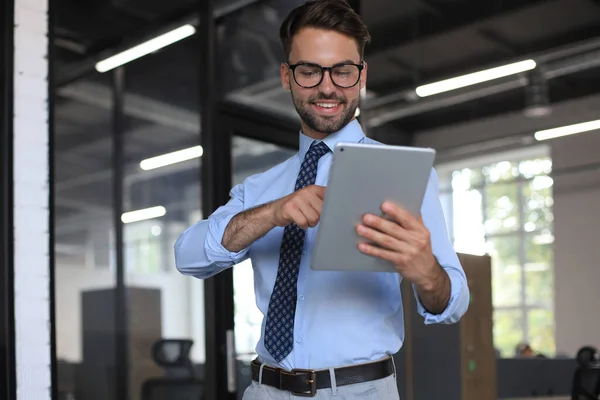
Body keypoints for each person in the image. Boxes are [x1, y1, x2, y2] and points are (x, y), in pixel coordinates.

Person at [174, 1, 470, 398]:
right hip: (265, 391)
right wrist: (272, 213)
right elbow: (188, 256)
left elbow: (451, 302)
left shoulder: (403, 176)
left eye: (343, 71)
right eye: (310, 70)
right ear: (287, 76)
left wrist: (426, 271)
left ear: (362, 76)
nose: (327, 87)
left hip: (358, 391)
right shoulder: (261, 188)